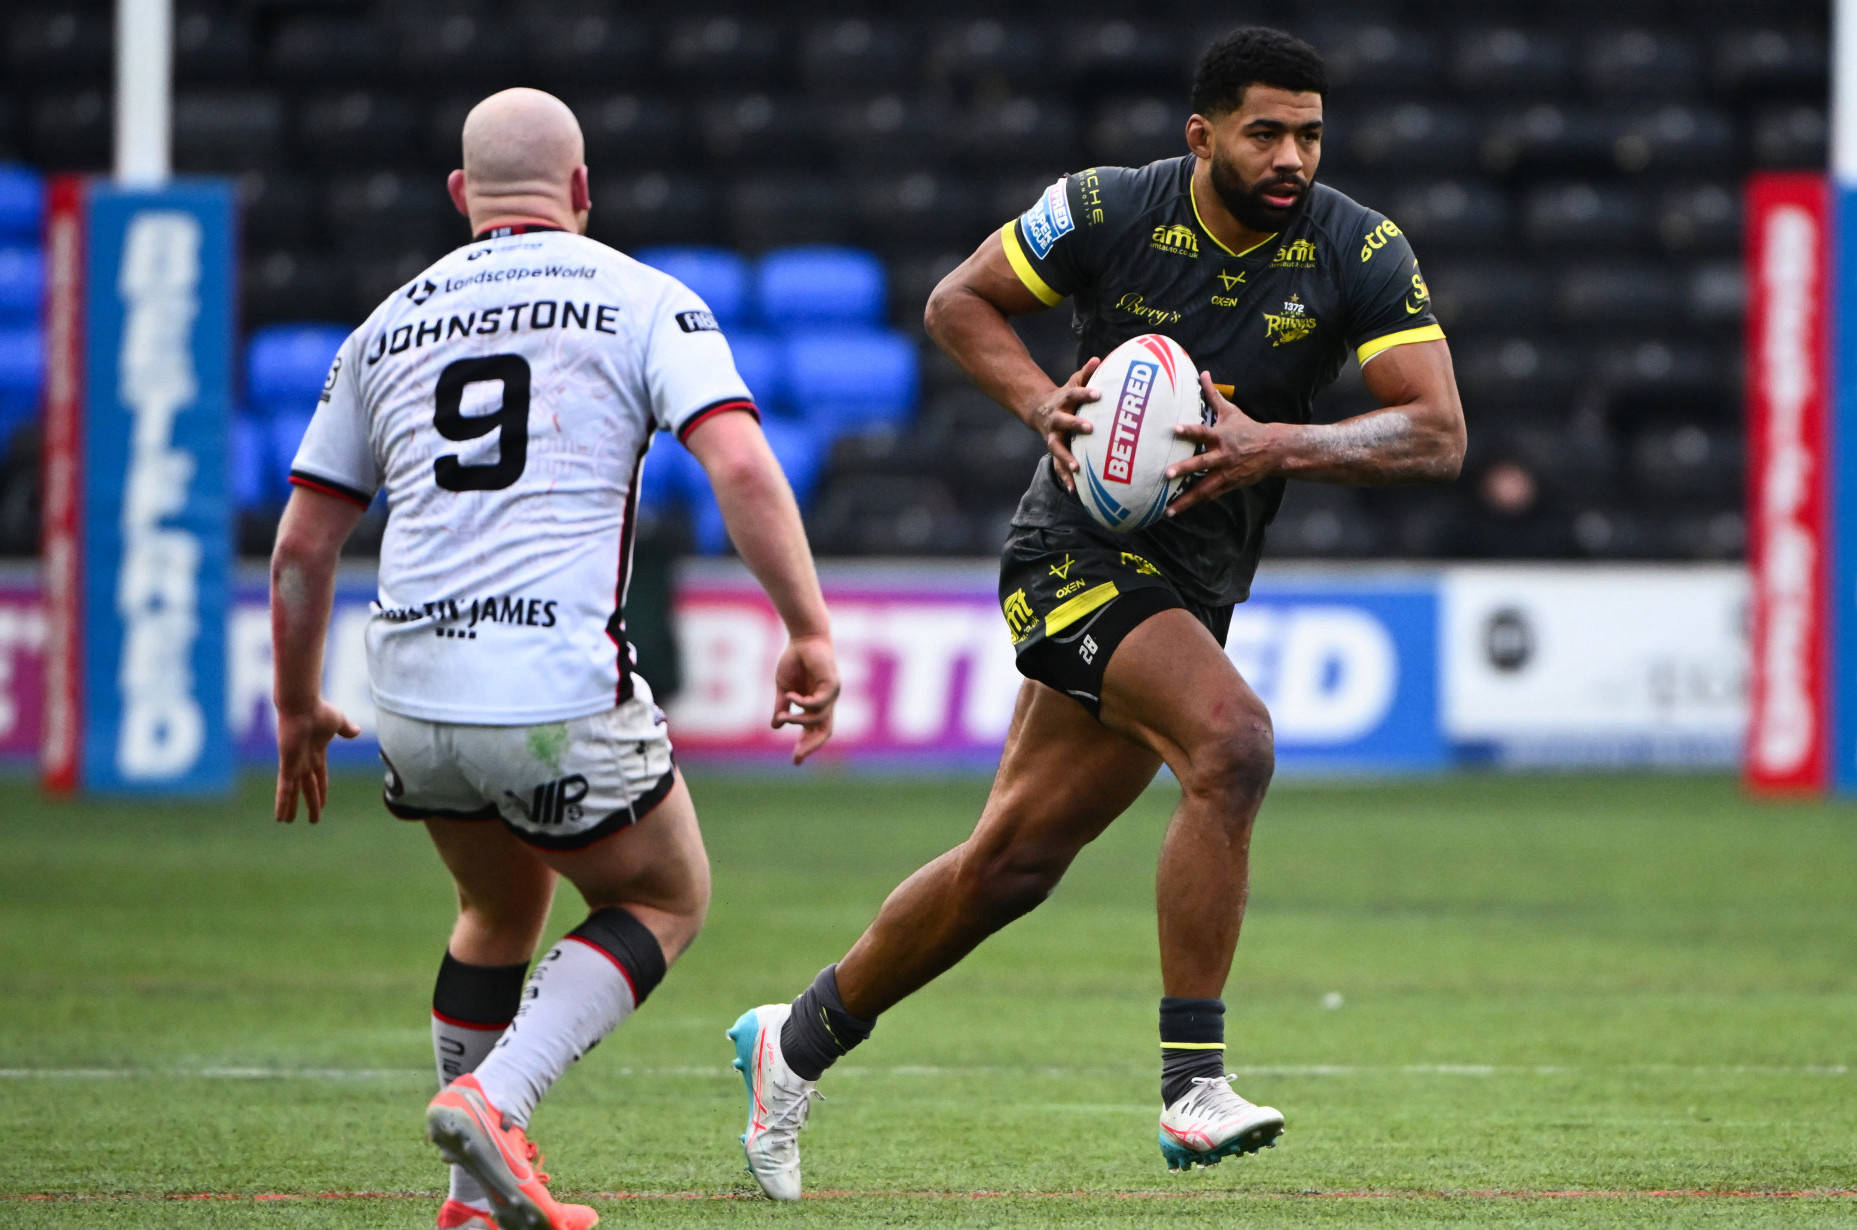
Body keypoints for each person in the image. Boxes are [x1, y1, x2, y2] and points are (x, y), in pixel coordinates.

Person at [728, 26, 1464, 1198]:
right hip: (1072, 554)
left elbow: (1436, 432)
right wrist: (1040, 403)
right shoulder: (1108, 210)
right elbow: (959, 302)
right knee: (1233, 745)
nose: (1292, 156)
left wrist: (1283, 443)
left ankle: (795, 1040)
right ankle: (1194, 1087)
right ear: (1203, 134)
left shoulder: (1358, 247)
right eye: (1266, 132)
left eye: (1310, 134)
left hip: (1194, 589)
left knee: (1011, 865)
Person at [270, 88, 840, 1230]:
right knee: (666, 895)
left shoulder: (383, 326)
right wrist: (809, 626)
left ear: (458, 197)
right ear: (582, 193)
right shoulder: (642, 296)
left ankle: (469, 1201)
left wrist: (295, 706)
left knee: (495, 906)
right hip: (549, 682)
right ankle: (498, 1101)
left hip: (411, 691)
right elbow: (735, 463)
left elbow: (301, 543)